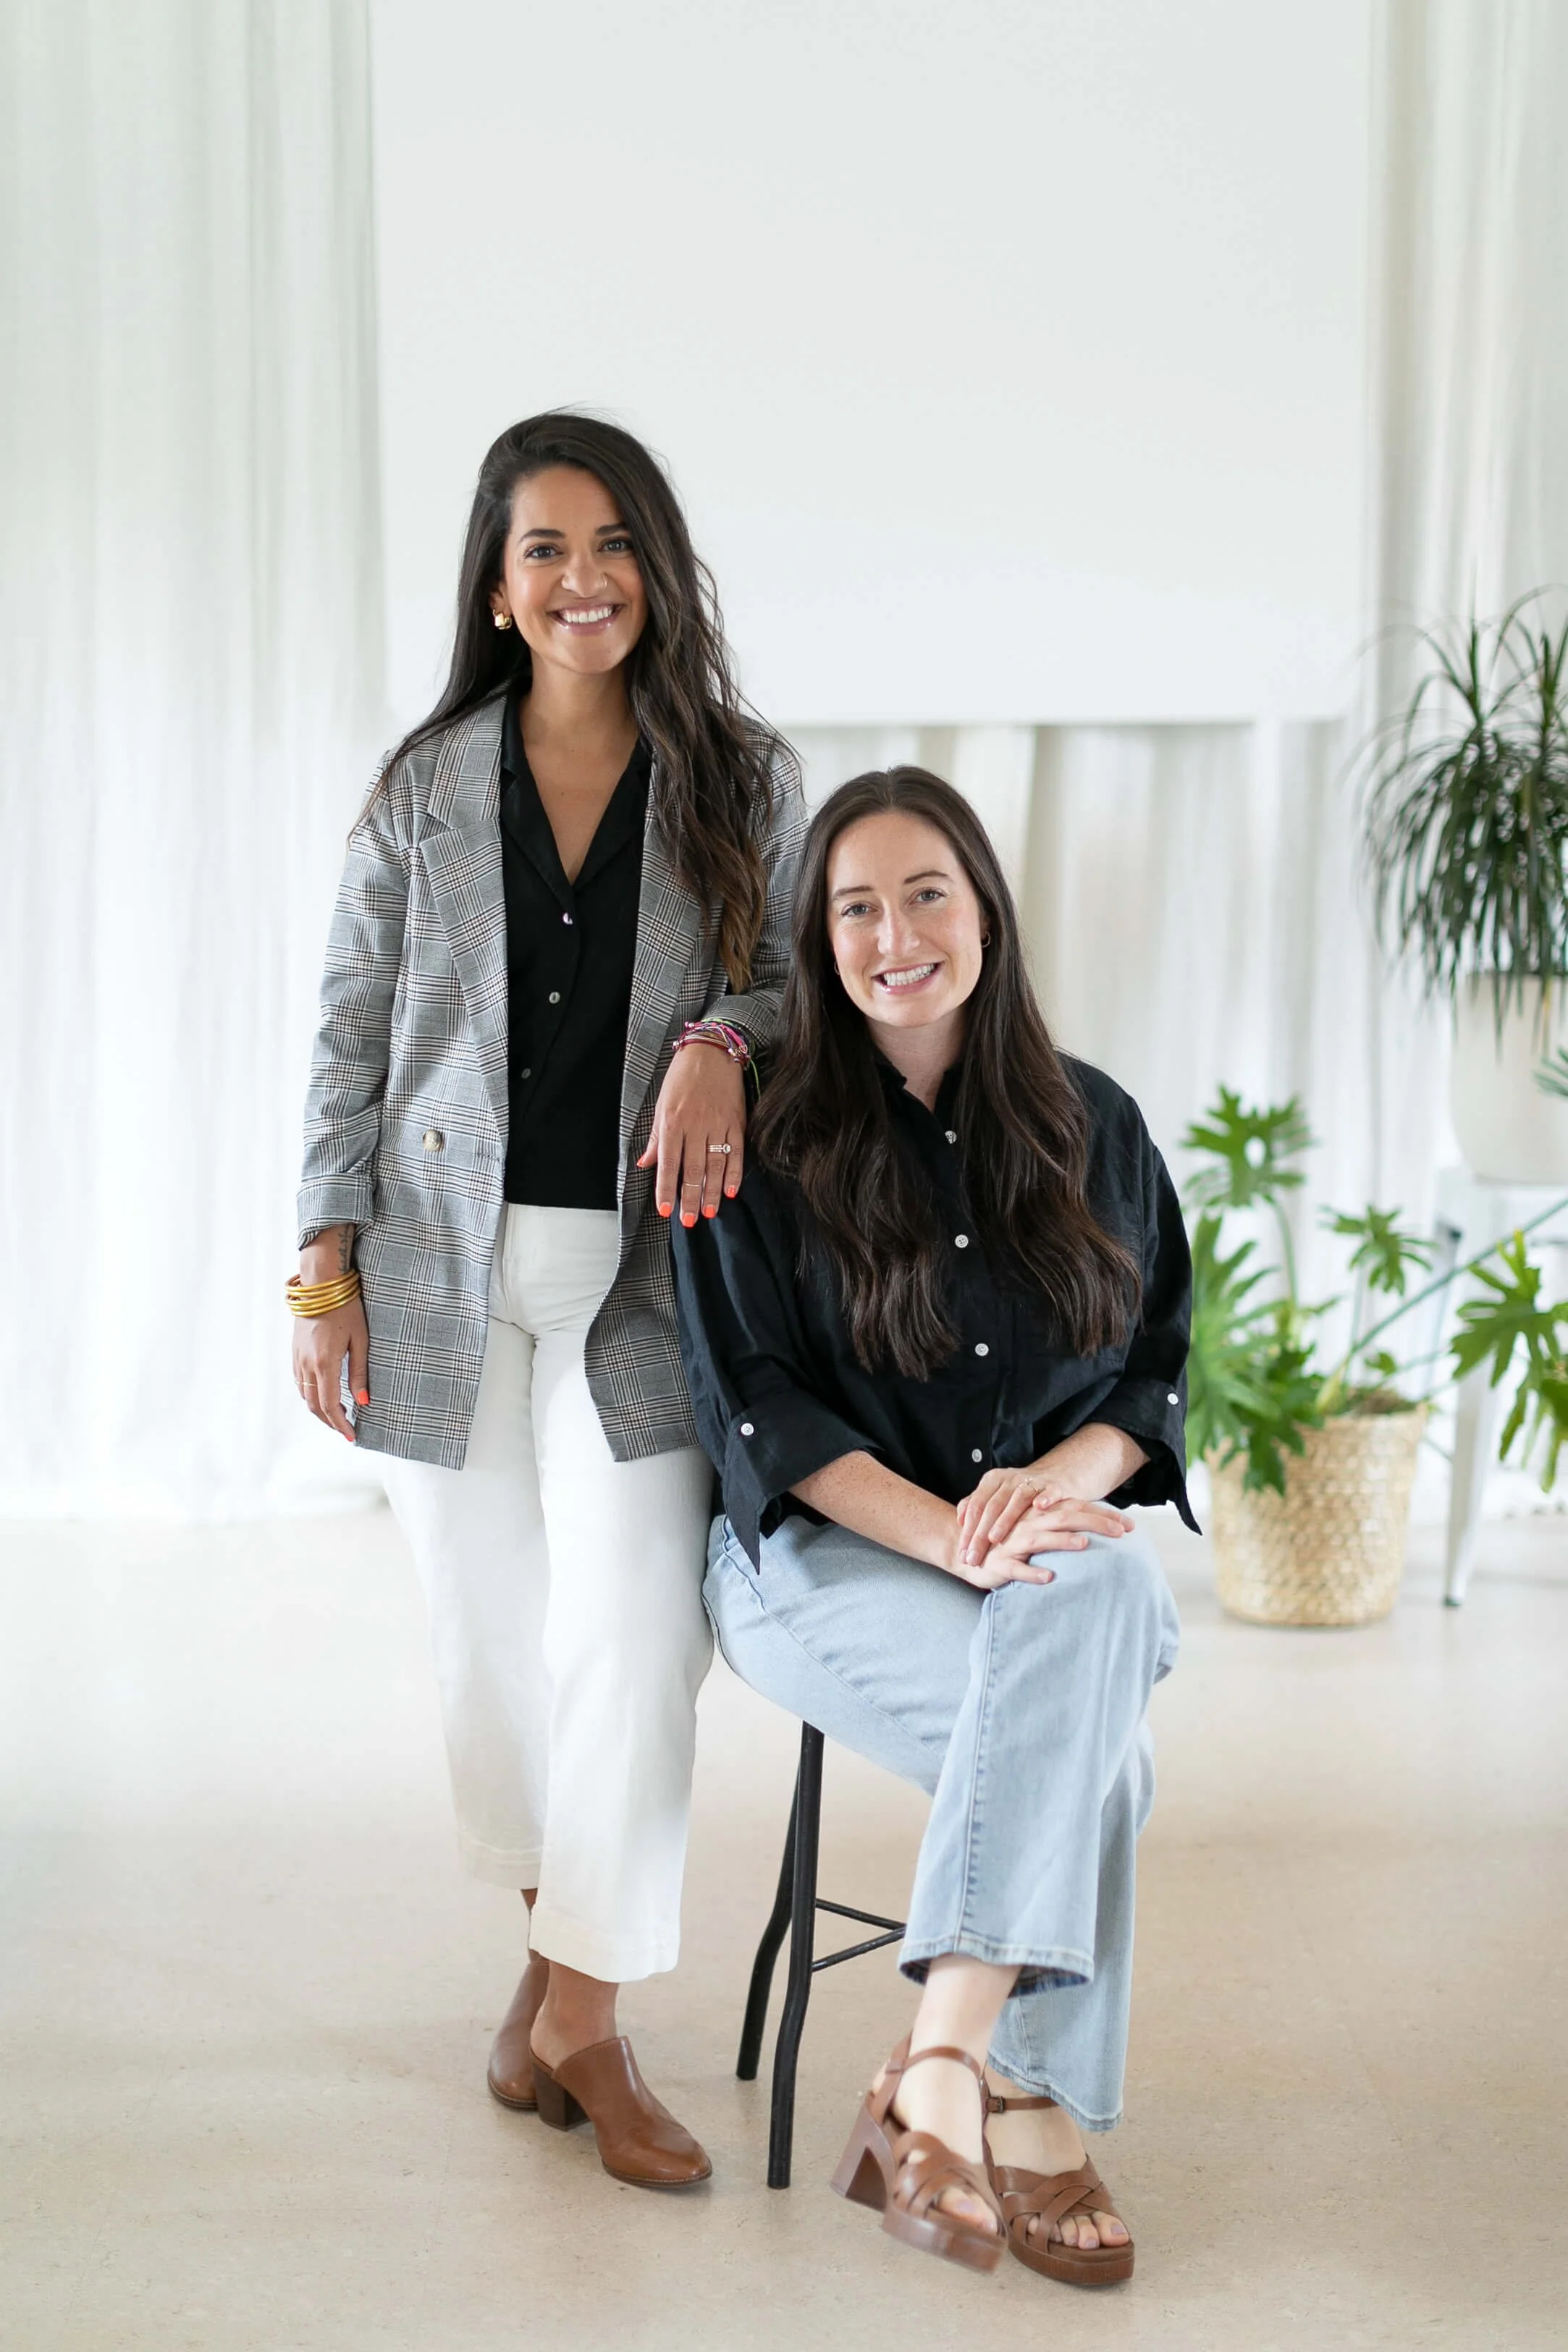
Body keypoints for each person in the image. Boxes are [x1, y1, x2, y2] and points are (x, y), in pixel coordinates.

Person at [292, 412, 803, 2189]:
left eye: (611, 544)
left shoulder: (741, 777)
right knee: (489, 1643)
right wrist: (319, 1264)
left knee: (638, 1625)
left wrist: (727, 1044)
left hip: (640, 1275)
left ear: (653, 569)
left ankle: (576, 2014)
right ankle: (564, 1996)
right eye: (542, 549)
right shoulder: (423, 789)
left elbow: (782, 982)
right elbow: (350, 1027)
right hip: (433, 1269)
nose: (581, 578)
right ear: (496, 590)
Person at [673, 766, 1192, 2283]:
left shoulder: (1094, 1122)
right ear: (815, 941)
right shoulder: (753, 1132)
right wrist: (952, 1533)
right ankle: (1012, 2093)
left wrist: (1053, 1492)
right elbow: (755, 1407)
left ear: (986, 913)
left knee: (1096, 1596)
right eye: (853, 907)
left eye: (925, 895)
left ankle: (946, 2069)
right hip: (819, 1559)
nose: (893, 934)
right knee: (1106, 1731)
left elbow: (1156, 1372)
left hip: (1038, 1550)